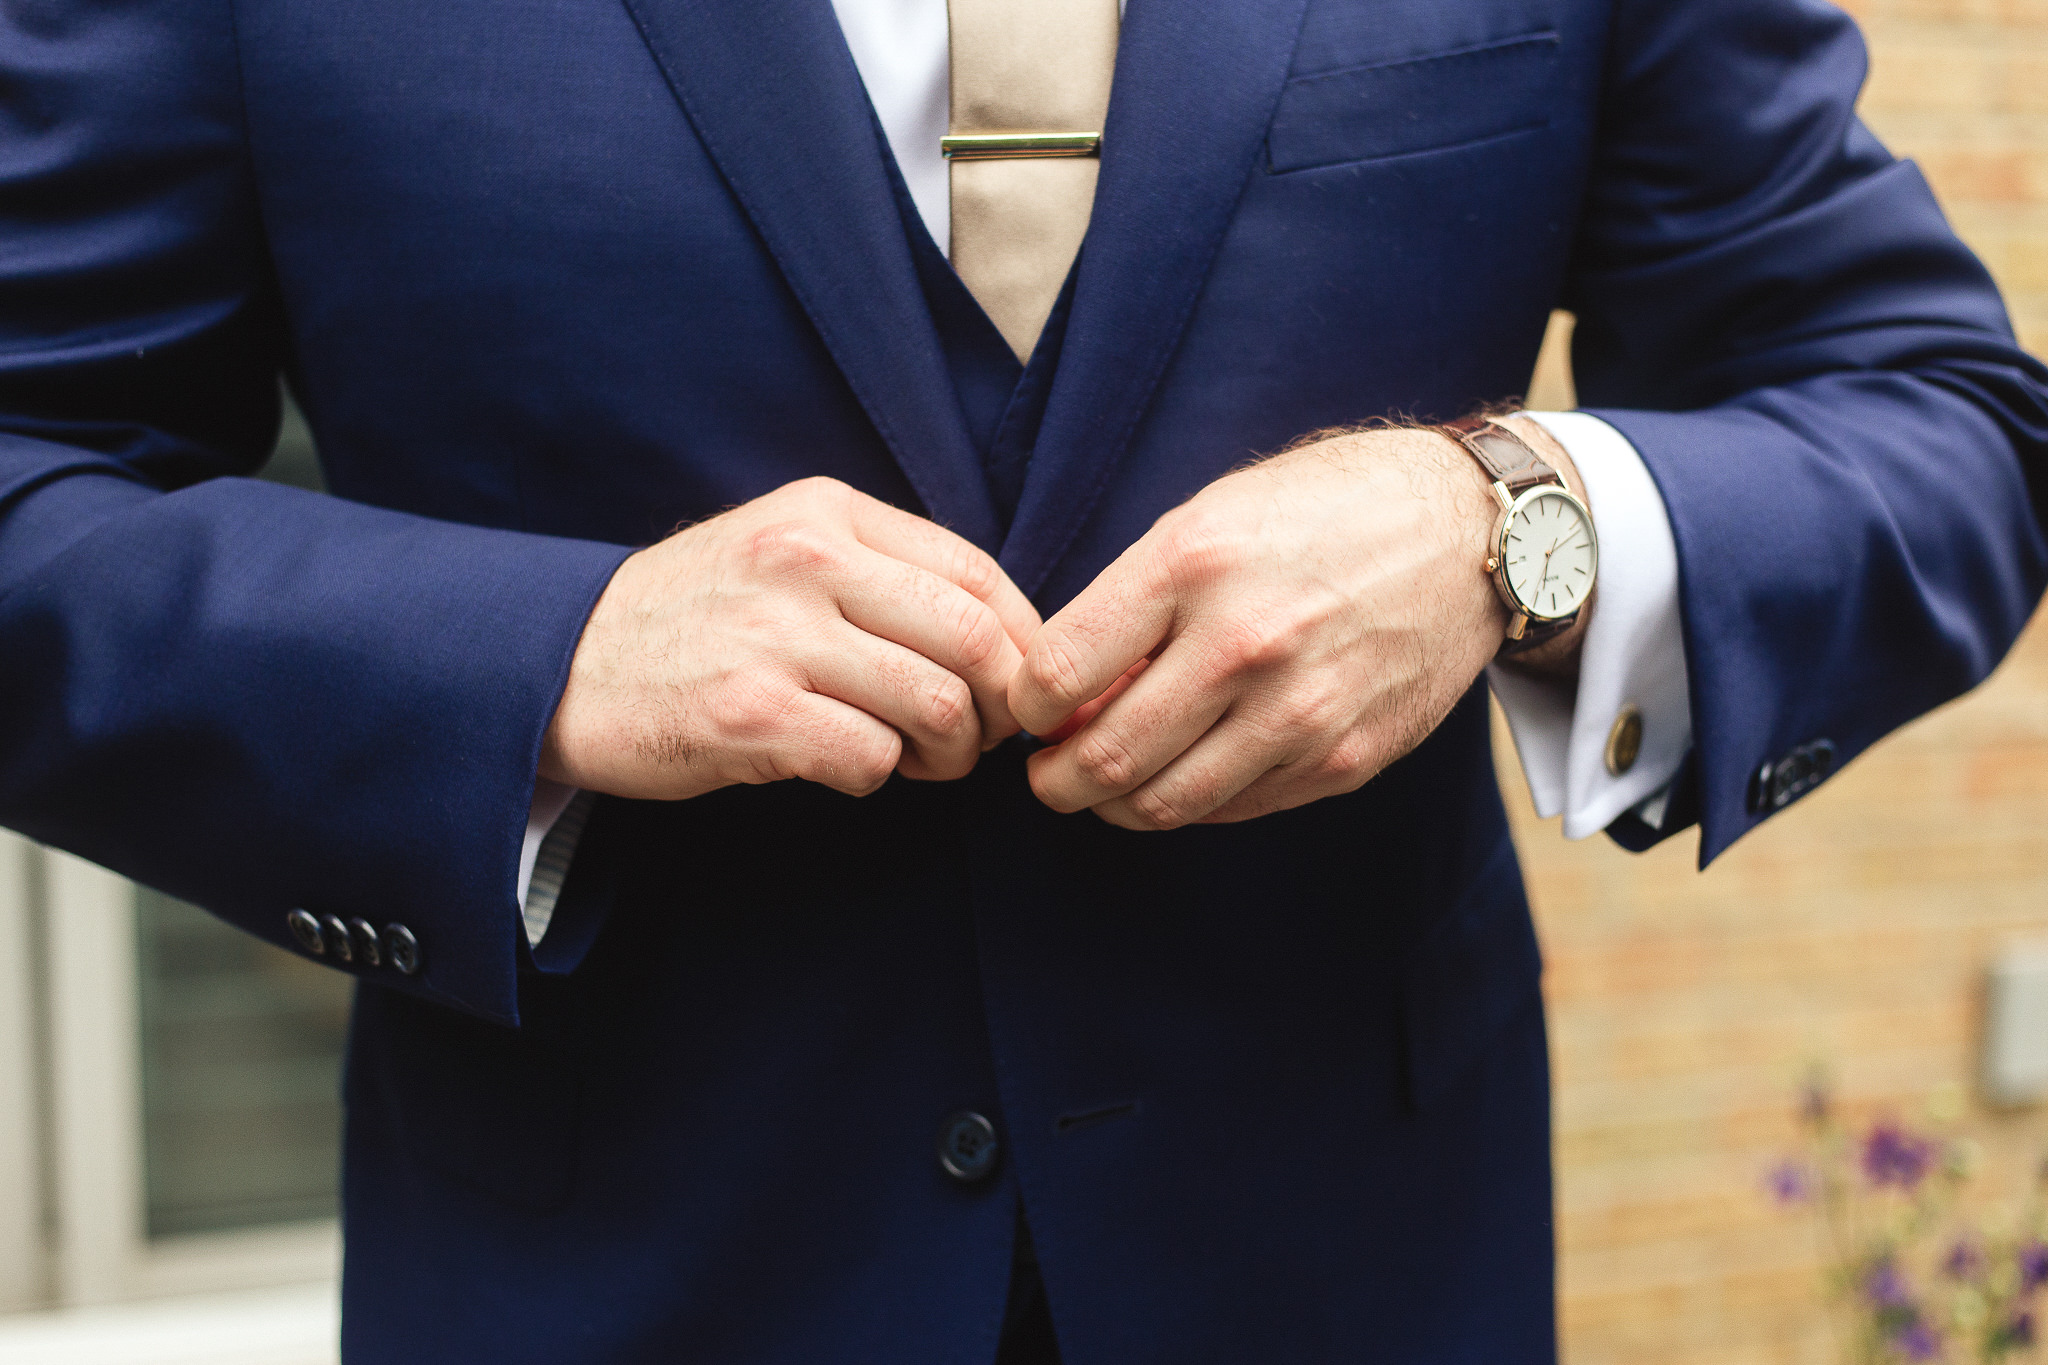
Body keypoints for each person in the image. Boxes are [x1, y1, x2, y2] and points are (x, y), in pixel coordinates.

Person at [0, 0, 2042, 1359]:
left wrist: (1503, 521)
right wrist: (541, 660)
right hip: (612, 1282)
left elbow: (1945, 422)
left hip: (1345, 1277)